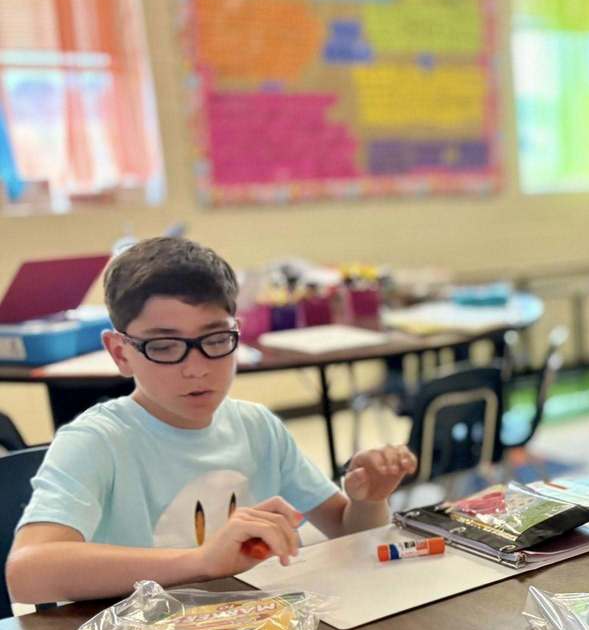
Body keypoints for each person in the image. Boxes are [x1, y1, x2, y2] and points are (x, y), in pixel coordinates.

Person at [6, 237, 417, 604]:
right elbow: (27, 573)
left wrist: (368, 499)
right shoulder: (99, 441)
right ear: (120, 352)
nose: (196, 368)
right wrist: (201, 561)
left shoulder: (257, 428)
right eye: (164, 346)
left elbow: (349, 534)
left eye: (216, 340)